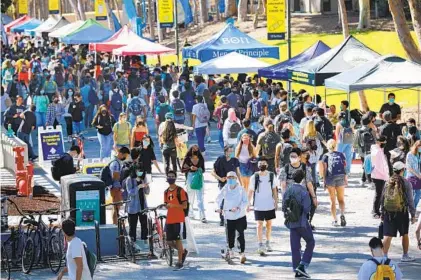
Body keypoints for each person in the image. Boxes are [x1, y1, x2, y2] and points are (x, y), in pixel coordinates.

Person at [282, 169, 315, 279]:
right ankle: (303, 265)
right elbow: (307, 208)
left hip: (291, 222)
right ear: (302, 179)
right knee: (310, 242)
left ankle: (296, 269)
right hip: (302, 222)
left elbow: (283, 207)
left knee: (295, 247)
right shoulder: (304, 191)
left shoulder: (288, 190)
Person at [381, 161, 416, 262]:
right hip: (401, 212)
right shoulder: (406, 183)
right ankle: (405, 255)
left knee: (388, 235)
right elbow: (410, 200)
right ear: (402, 170)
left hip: (388, 212)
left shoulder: (388, 181)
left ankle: (384, 256)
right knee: (404, 234)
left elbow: (382, 198)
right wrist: (413, 214)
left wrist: (382, 212)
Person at [215, 171, 248, 264]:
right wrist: (218, 208)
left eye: (232, 177)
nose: (230, 179)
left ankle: (242, 253)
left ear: (236, 178)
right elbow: (218, 199)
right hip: (228, 216)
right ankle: (230, 250)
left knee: (240, 234)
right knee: (229, 234)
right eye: (228, 177)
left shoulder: (241, 189)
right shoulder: (225, 189)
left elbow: (245, 202)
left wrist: (238, 207)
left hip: (239, 215)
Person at [248, 160, 278, 254]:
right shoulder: (254, 177)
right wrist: (248, 203)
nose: (262, 165)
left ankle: (268, 242)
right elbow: (250, 190)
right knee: (259, 225)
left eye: (264, 163)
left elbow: (274, 189)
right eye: (260, 164)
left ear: (267, 165)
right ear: (258, 165)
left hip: (269, 204)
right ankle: (260, 244)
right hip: (258, 205)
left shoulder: (272, 175)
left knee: (269, 224)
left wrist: (276, 201)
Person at [164, 170, 189, 270]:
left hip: (179, 219)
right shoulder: (166, 192)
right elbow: (166, 204)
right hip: (169, 219)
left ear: (175, 178)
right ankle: (182, 251)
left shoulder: (180, 191)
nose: (170, 178)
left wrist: (173, 205)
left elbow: (184, 205)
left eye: (172, 176)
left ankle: (179, 261)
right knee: (168, 241)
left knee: (178, 240)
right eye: (169, 176)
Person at [211, 145, 242, 226]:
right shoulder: (220, 159)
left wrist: (241, 184)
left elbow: (238, 173)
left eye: (232, 151)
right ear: (225, 152)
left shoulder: (235, 160)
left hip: (233, 183)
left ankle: (232, 218)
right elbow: (213, 172)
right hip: (223, 183)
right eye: (229, 151)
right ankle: (222, 218)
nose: (231, 153)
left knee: (234, 200)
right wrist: (220, 178)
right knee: (223, 200)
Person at [322, 139, 348, 227]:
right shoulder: (341, 155)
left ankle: (335, 220)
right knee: (341, 199)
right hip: (340, 177)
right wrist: (345, 178)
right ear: (335, 145)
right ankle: (342, 214)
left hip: (330, 178)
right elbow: (345, 167)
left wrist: (324, 180)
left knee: (332, 200)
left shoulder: (325, 156)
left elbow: (325, 170)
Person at [124, 162, 150, 246]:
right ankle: (132, 242)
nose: (140, 172)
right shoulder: (129, 179)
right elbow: (130, 193)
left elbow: (147, 192)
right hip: (133, 206)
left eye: (142, 170)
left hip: (143, 205)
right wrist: (138, 187)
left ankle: (144, 240)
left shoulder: (143, 179)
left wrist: (146, 186)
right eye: (139, 170)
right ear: (135, 170)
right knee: (132, 226)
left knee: (144, 224)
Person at [182, 147, 206, 223]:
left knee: (200, 198)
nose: (195, 157)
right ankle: (190, 213)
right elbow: (182, 169)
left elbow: (203, 169)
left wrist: (198, 168)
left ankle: (202, 216)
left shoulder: (201, 159)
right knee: (190, 198)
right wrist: (190, 168)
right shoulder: (187, 159)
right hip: (190, 178)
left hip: (198, 178)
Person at [109, 147, 131, 225]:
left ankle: (117, 224)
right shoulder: (115, 163)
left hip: (115, 187)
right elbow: (115, 176)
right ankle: (117, 225)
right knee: (117, 207)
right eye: (125, 155)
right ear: (121, 154)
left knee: (116, 207)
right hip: (115, 188)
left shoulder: (115, 161)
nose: (125, 158)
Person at [370, 136, 390, 218]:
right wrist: (387, 176)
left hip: (377, 175)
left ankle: (377, 210)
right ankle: (375, 211)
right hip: (379, 176)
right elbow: (380, 166)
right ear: (378, 142)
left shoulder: (376, 149)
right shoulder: (378, 152)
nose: (385, 143)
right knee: (379, 194)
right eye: (383, 142)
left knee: (380, 194)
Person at [354, 114, 377, 187]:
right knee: (367, 165)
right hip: (370, 150)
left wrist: (356, 150)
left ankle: (363, 180)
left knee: (365, 165)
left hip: (362, 150)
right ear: (368, 122)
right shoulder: (371, 130)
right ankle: (370, 182)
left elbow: (355, 141)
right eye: (371, 122)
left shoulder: (358, 130)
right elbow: (376, 140)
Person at [405, 140, 421, 209]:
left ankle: (412, 208)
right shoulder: (410, 154)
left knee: (416, 193)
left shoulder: (417, 154)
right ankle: (412, 208)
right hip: (411, 176)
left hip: (417, 176)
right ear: (417, 146)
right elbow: (409, 167)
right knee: (416, 193)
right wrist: (418, 175)